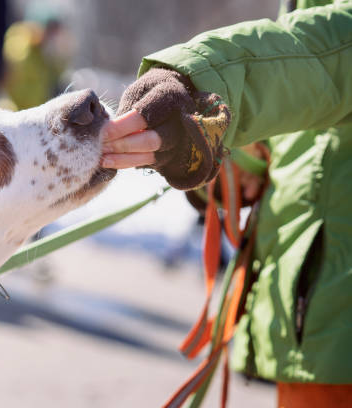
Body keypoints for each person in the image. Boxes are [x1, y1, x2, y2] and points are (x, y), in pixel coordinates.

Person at [102, 1, 352, 406]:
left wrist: (205, 92)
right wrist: (241, 157)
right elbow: (316, 116)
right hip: (317, 313)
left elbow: (330, 54)